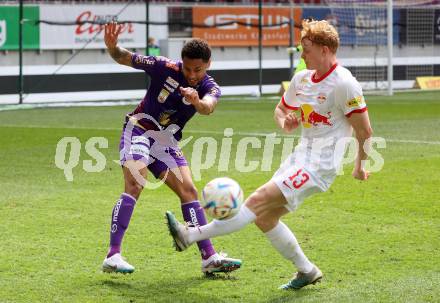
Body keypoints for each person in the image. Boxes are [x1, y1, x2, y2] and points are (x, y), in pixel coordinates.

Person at [166, 19, 373, 290]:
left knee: (256, 200)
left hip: (320, 166)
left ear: (324, 49)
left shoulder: (345, 84)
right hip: (300, 157)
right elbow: (280, 110)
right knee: (265, 217)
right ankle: (307, 270)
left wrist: (360, 165)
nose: (301, 54)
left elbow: (365, 131)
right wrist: (284, 121)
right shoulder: (301, 78)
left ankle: (190, 235)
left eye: (306, 49)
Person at [101, 21, 242, 275]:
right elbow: (123, 57)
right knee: (135, 183)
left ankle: (208, 257)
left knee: (189, 190)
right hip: (139, 130)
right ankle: (113, 255)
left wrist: (196, 101)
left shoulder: (210, 87)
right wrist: (112, 47)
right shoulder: (162, 67)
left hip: (165, 142)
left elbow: (208, 107)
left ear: (207, 64)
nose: (191, 74)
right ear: (181, 62)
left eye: (197, 69)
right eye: (187, 68)